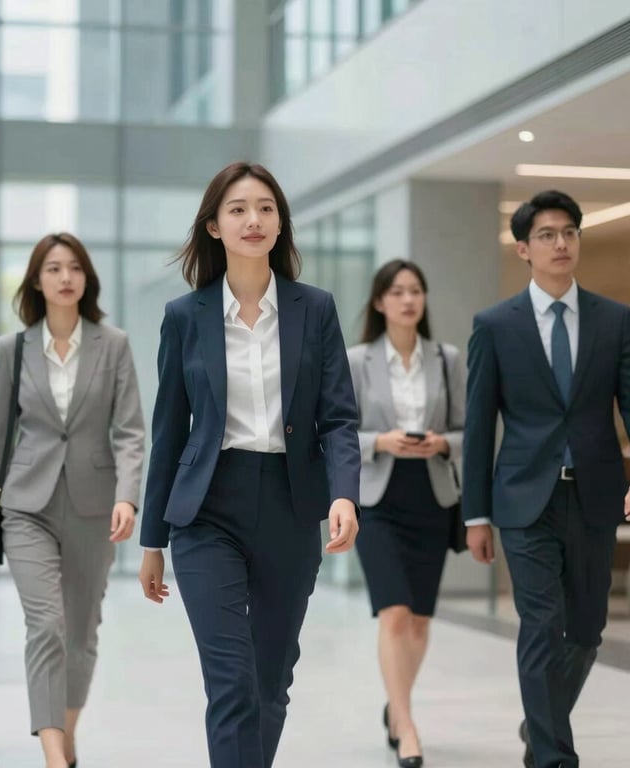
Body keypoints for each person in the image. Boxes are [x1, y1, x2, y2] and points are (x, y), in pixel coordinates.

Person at [138, 161, 361, 768]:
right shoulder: (185, 316)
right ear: (214, 226)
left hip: (291, 504)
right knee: (232, 681)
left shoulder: (315, 309)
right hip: (207, 509)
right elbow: (168, 433)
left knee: (269, 680)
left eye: (266, 208)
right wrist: (153, 540)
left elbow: (339, 417)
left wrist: (343, 493)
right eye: (237, 209)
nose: (253, 219)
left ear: (280, 223)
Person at [463, 190, 630, 768]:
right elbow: (479, 425)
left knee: (586, 630)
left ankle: (539, 722)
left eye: (569, 233)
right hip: (523, 499)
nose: (561, 244)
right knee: (541, 623)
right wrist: (476, 514)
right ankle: (553, 757)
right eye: (547, 235)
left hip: (595, 496)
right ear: (524, 248)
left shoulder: (615, 320)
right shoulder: (495, 326)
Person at [0, 233, 144, 768]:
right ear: (36, 280)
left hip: (95, 506)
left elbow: (130, 432)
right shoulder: (13, 349)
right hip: (27, 504)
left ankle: (66, 736)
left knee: (82, 633)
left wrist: (128, 498)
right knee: (46, 625)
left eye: (74, 267)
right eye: (53, 268)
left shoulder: (113, 344)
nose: (65, 277)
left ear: (87, 279)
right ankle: (54, 756)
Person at [347, 259, 464, 768]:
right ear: (379, 302)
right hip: (378, 499)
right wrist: (380, 441)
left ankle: (396, 708)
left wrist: (442, 443)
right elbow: (335, 431)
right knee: (393, 612)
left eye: (416, 290)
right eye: (397, 292)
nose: (408, 300)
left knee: (418, 619)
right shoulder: (356, 361)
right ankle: (406, 723)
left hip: (431, 496)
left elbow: (468, 430)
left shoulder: (447, 358)